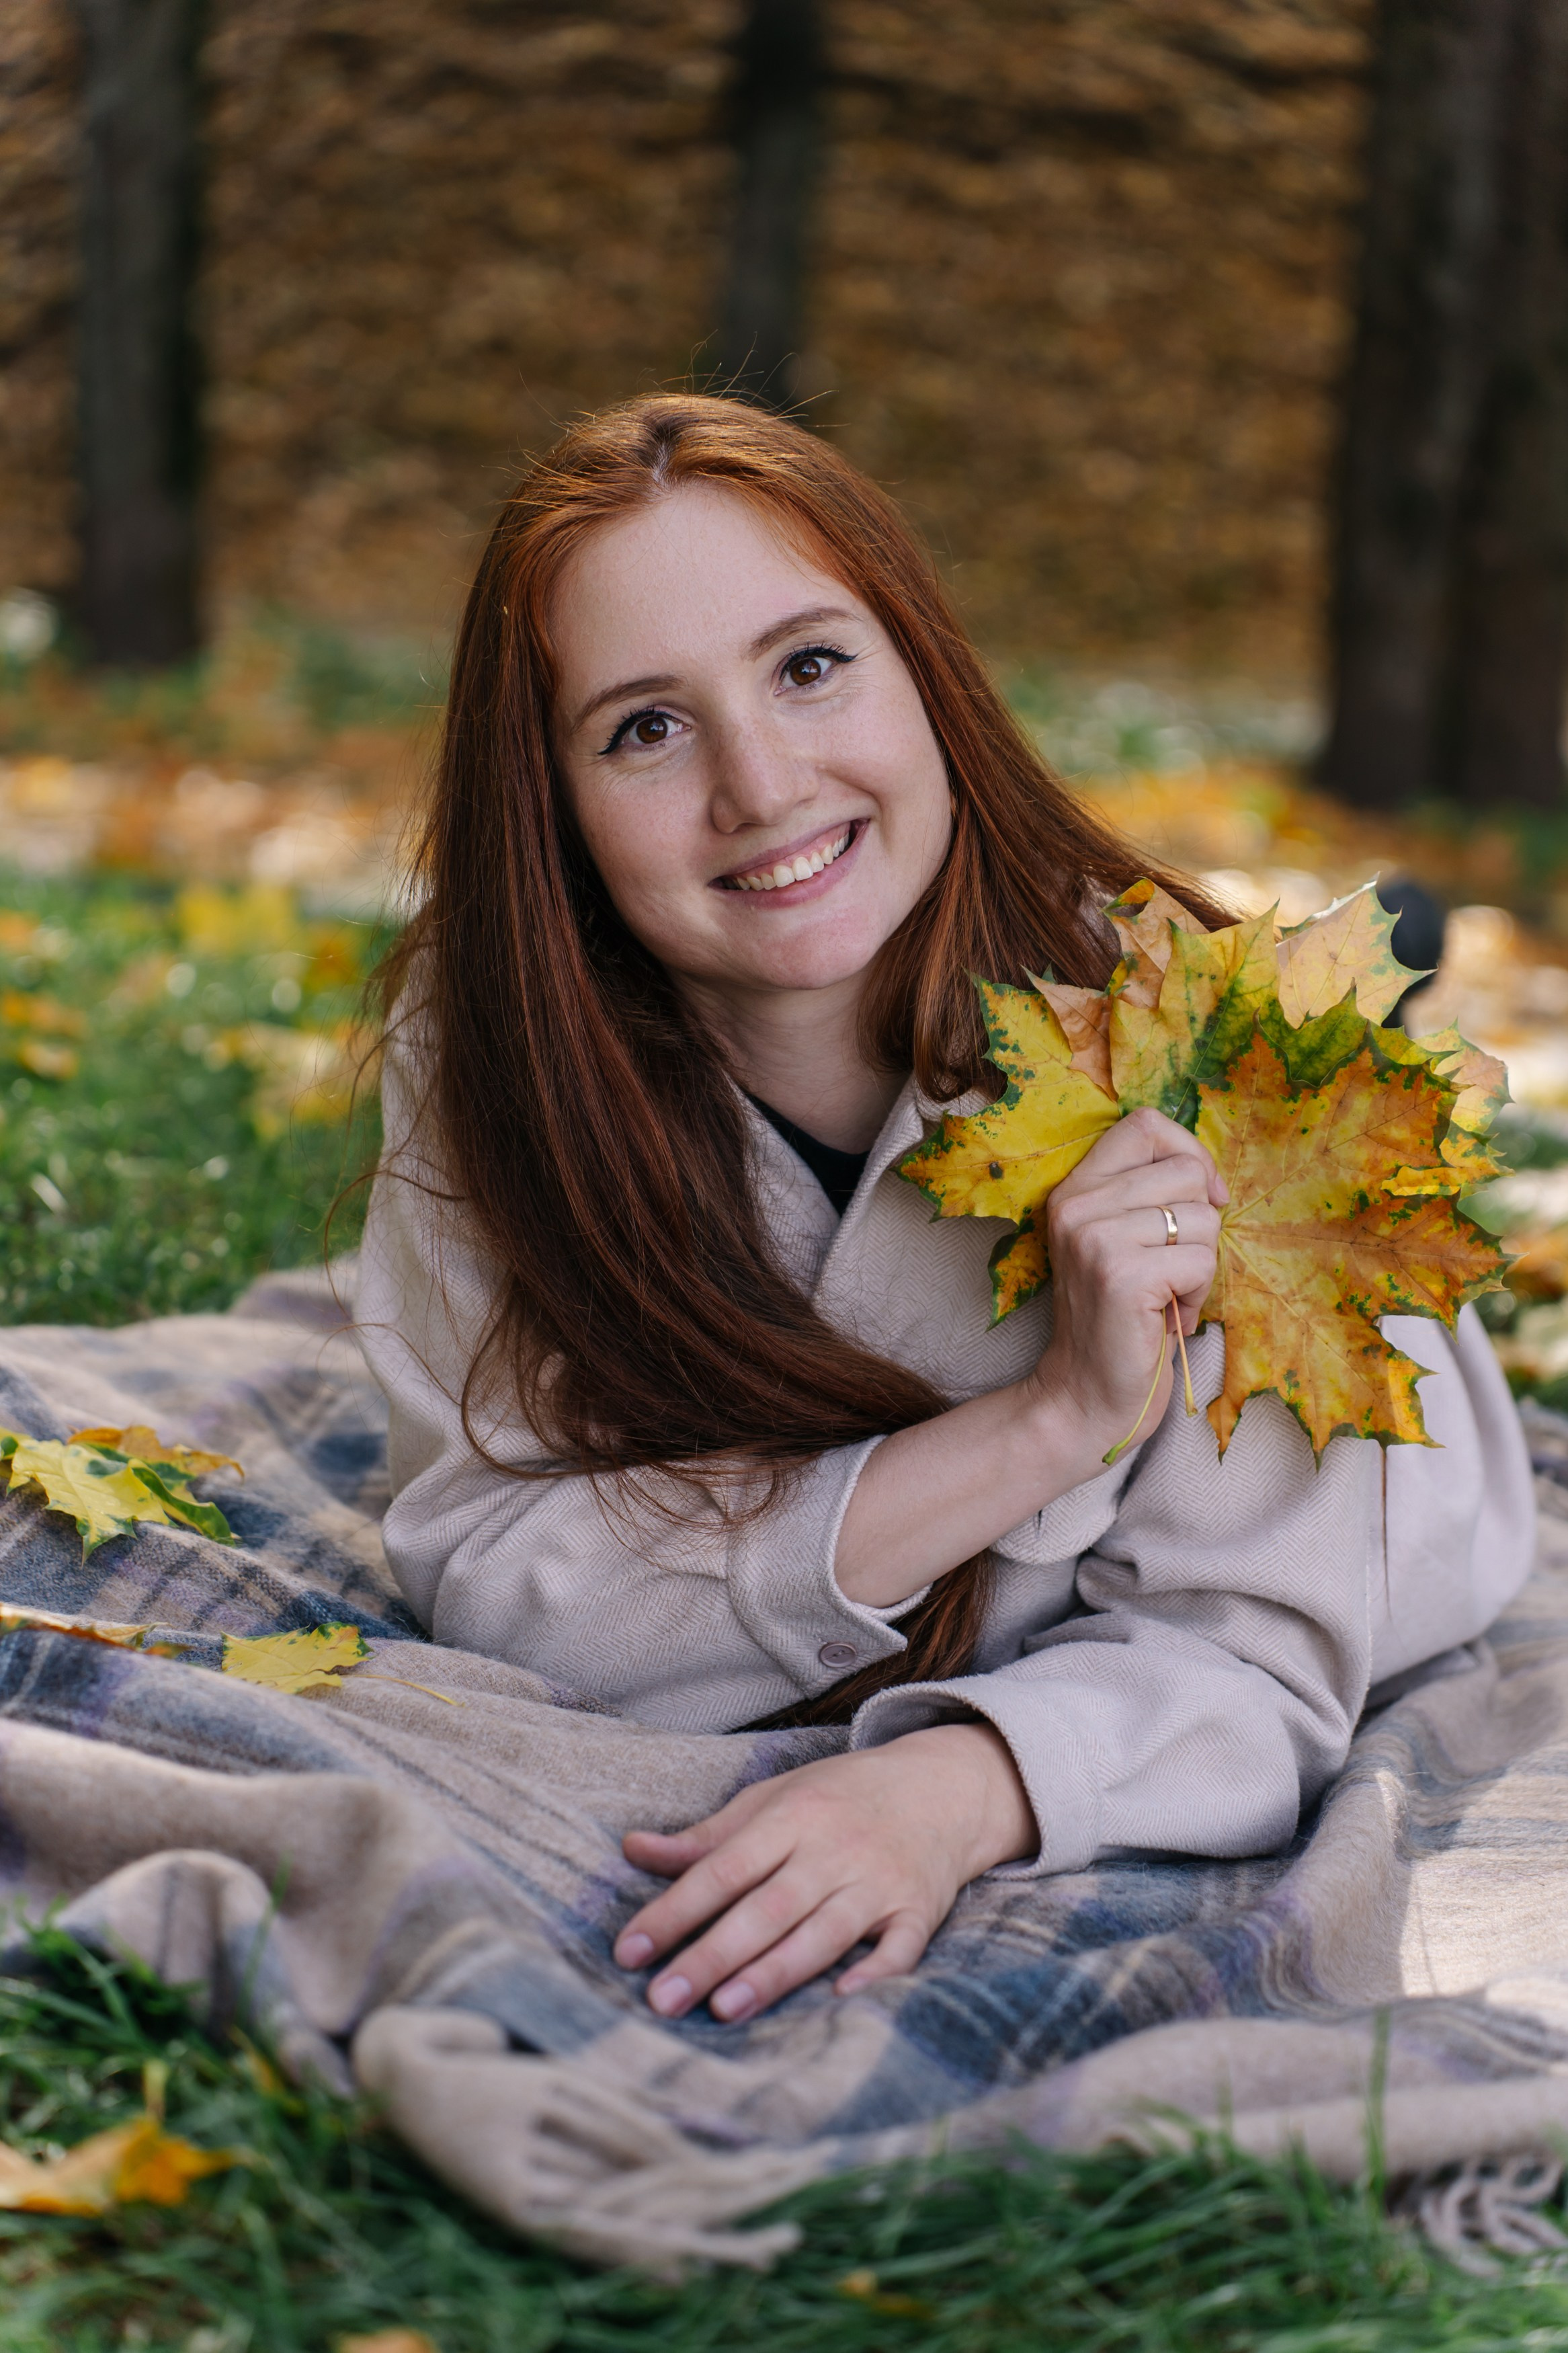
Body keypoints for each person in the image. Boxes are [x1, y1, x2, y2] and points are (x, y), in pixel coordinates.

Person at [357, 394, 1534, 2031]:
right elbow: (503, 1580)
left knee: (1335, 1024)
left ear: (927, 673)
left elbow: (1256, 1659)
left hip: (1400, 1495)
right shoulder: (493, 1046)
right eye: (646, 727)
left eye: (809, 666)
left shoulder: (1211, 1070)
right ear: (546, 798)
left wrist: (954, 1790)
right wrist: (1053, 1422)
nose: (761, 784)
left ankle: (1389, 957)